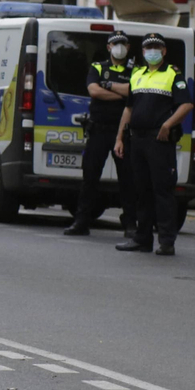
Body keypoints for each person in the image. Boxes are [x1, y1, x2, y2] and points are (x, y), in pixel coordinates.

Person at [114, 33, 193, 256]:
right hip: (136, 140)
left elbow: (186, 104)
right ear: (142, 52)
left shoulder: (172, 74)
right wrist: (120, 138)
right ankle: (143, 239)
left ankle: (167, 241)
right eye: (148, 48)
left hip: (158, 141)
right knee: (142, 191)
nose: (152, 51)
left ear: (164, 51)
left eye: (156, 47)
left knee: (163, 191)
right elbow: (128, 109)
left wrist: (167, 125)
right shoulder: (137, 74)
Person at [65, 33, 133, 237]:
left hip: (122, 132)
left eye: (122, 44)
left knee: (128, 180)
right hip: (98, 130)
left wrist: (109, 86)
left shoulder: (135, 70)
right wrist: (121, 95)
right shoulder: (98, 67)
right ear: (109, 46)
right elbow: (94, 91)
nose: (119, 47)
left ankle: (131, 224)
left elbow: (134, 92)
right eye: (115, 43)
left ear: (128, 47)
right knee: (90, 178)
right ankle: (81, 222)